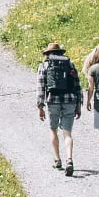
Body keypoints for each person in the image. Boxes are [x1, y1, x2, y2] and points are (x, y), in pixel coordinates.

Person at [37, 42, 84, 177]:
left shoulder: (44, 66)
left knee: (53, 130)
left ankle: (58, 160)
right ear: (60, 53)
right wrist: (79, 105)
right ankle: (69, 159)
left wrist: (40, 106)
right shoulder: (70, 64)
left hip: (53, 101)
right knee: (67, 132)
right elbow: (77, 85)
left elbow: (41, 87)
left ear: (48, 54)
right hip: (70, 101)